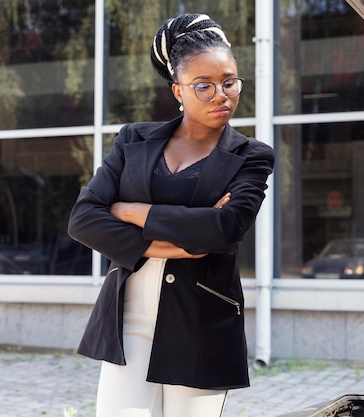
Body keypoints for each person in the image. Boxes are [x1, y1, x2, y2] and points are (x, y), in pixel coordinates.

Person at [67, 13, 274, 417]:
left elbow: (223, 230)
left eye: (229, 82)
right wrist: (171, 247)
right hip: (127, 322)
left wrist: (132, 210)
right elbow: (83, 219)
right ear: (178, 90)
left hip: (201, 325)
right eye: (204, 85)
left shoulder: (251, 155)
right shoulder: (133, 141)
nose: (221, 95)